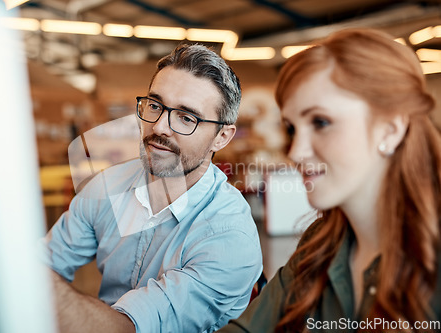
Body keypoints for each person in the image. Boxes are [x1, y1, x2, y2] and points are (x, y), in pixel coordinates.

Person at [219, 28, 441, 332]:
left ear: (390, 130)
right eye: (292, 129)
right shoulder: (321, 245)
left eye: (321, 122)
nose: (296, 152)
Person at [42, 44, 263, 333]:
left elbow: (127, 329)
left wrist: (36, 284)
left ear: (221, 137)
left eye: (186, 117)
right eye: (155, 105)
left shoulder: (228, 235)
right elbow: (48, 260)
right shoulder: (107, 187)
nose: (160, 127)